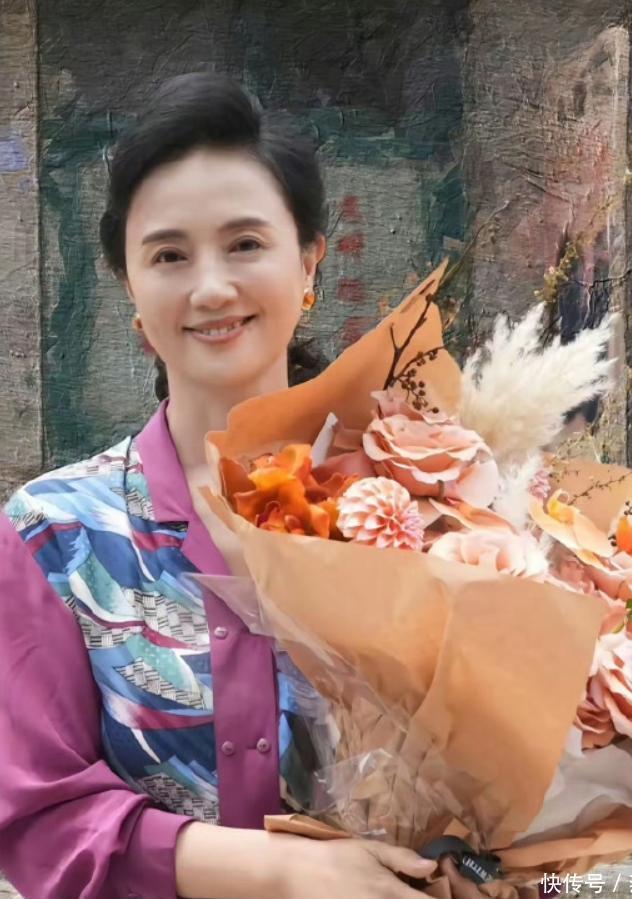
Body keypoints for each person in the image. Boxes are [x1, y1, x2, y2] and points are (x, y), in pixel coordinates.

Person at [0, 73, 481, 899]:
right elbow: (39, 816)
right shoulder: (57, 535)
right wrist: (283, 869)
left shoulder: (422, 499)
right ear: (130, 289)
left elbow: (514, 765)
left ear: (309, 262)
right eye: (169, 255)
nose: (212, 287)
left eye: (246, 244)